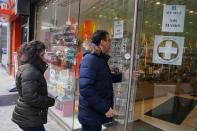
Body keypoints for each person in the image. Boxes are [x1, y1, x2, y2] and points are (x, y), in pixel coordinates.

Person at [78, 30, 122, 131]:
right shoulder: (91, 59)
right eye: (109, 40)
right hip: (91, 115)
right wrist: (105, 108)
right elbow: (85, 88)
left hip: (94, 114)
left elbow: (106, 78)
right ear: (102, 42)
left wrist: (124, 76)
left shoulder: (99, 58)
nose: (110, 43)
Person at [12, 40, 55, 131]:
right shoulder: (31, 70)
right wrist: (49, 101)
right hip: (29, 118)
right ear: (35, 56)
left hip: (28, 115)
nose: (44, 57)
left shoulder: (30, 67)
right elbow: (30, 97)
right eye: (42, 55)